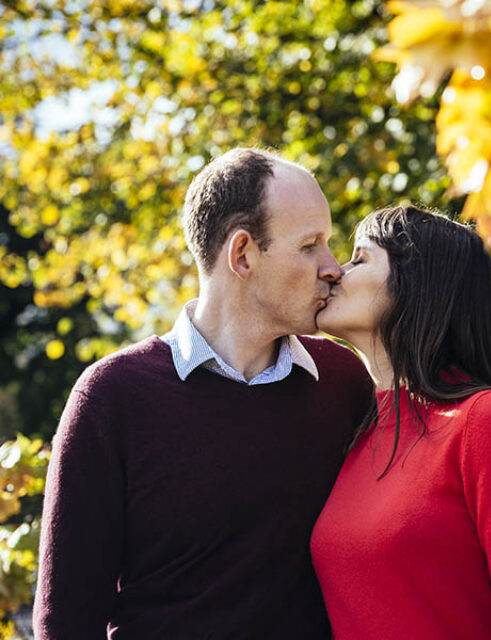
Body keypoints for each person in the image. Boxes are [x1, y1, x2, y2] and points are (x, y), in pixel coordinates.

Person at [34, 148, 374, 639]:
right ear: (242, 255)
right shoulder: (112, 397)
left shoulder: (345, 384)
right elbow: (67, 621)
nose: (333, 266)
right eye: (310, 245)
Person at [310, 205, 491, 639]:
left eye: (359, 258)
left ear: (417, 281)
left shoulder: (486, 423)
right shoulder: (356, 428)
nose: (335, 271)